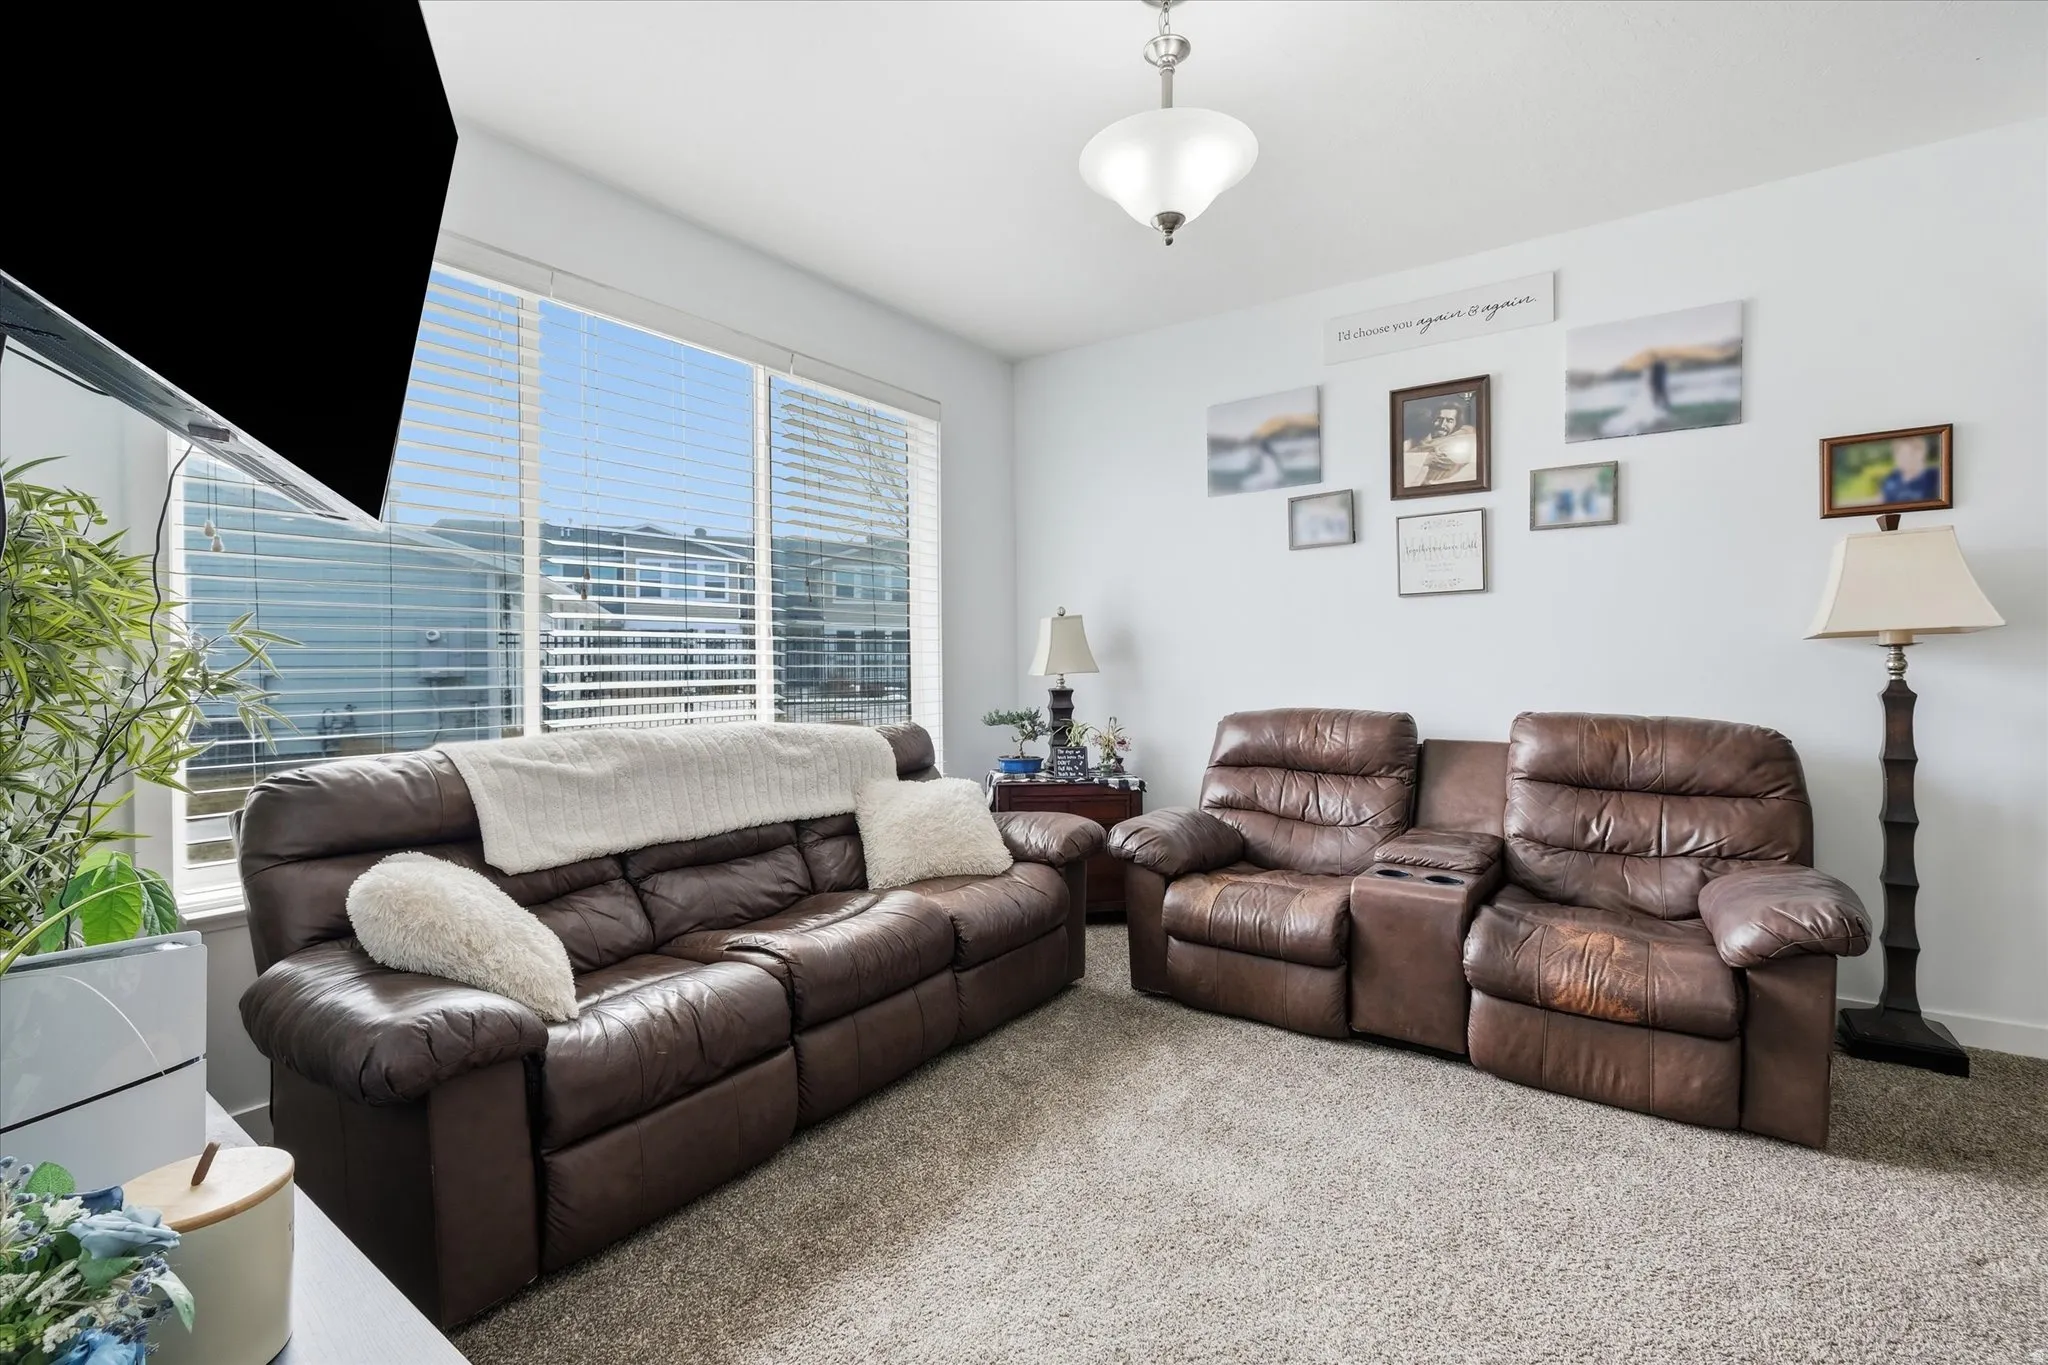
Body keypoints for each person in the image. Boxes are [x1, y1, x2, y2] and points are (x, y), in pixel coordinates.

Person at [1403, 399, 1477, 488]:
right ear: (1432, 420)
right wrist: (1424, 458)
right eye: (1439, 419)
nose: (1442, 425)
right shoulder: (1414, 441)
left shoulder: (1461, 441)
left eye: (1449, 421)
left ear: (1456, 425)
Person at [1880, 434, 1943, 504]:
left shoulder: (1936, 477)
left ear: (1922, 453)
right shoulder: (1890, 480)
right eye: (1902, 455)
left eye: (1911, 453)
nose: (1906, 459)